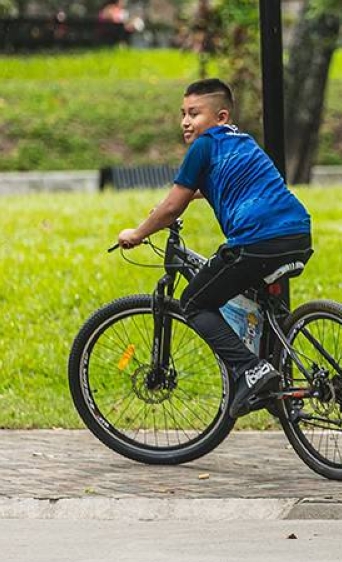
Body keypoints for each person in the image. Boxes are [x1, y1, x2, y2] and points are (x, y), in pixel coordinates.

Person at [116, 78, 313, 419]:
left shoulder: (204, 146)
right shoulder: (243, 142)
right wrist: (165, 209)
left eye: (194, 113)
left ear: (221, 117)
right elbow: (208, 187)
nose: (185, 122)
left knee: (193, 302)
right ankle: (277, 383)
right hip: (296, 233)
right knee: (254, 299)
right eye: (183, 114)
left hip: (256, 240)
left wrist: (138, 231)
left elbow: (173, 207)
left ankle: (251, 370)